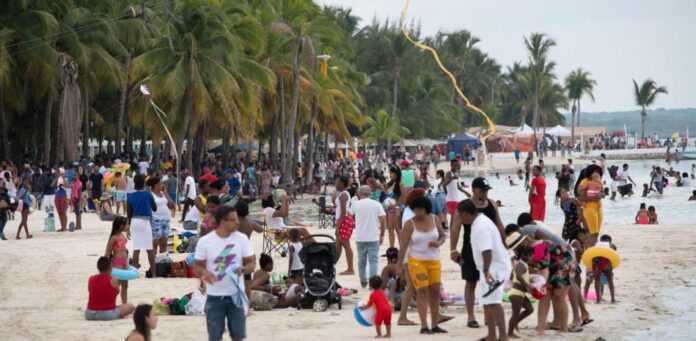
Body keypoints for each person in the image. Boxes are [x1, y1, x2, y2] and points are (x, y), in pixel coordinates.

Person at [449, 177, 504, 329]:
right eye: (483, 190)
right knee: (471, 281)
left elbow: (499, 224)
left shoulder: (491, 204)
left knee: (490, 282)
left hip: (490, 248)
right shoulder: (464, 206)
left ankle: (489, 317)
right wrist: (453, 249)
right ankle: (471, 316)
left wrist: (505, 244)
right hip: (470, 249)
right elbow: (455, 228)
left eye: (487, 190)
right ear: (474, 190)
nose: (485, 193)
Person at [194, 205, 255, 341]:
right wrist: (206, 273)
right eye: (233, 220)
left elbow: (251, 262)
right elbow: (197, 266)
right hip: (214, 296)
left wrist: (243, 270)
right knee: (215, 337)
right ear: (222, 222)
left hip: (236, 296)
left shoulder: (242, 239)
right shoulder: (206, 241)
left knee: (238, 337)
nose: (237, 222)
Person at [456, 199, 511, 341]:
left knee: (493, 302)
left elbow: (487, 250)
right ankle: (491, 335)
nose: (460, 219)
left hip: (494, 268)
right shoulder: (478, 222)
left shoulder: (481, 226)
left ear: (467, 213)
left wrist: (486, 271)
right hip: (487, 268)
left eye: (460, 215)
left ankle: (503, 336)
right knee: (487, 301)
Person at [397, 196, 447, 334]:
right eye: (415, 209)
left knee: (436, 291)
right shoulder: (409, 224)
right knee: (422, 290)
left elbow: (443, 236)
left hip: (434, 260)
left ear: (426, 209)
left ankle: (435, 323)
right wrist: (399, 265)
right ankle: (424, 325)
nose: (418, 212)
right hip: (416, 261)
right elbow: (403, 246)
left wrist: (439, 243)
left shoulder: (434, 219)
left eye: (421, 209)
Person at [349, 185, 387, 287]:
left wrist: (355, 223)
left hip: (360, 237)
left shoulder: (355, 204)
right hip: (373, 237)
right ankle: (372, 284)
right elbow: (383, 220)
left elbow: (348, 216)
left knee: (361, 261)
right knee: (373, 261)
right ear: (370, 193)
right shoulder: (377, 204)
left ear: (360, 193)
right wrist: (382, 234)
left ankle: (363, 281)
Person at [85, 257, 135, 321]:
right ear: (109, 267)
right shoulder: (113, 279)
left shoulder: (91, 279)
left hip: (89, 314)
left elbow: (90, 291)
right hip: (106, 314)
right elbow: (116, 292)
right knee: (130, 306)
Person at [127, 174, 157, 277]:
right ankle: (153, 274)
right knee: (149, 248)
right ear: (144, 183)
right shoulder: (148, 194)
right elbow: (154, 208)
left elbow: (129, 214)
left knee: (136, 248)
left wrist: (128, 228)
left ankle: (135, 273)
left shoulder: (130, 196)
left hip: (134, 222)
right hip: (145, 221)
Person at [506, 237, 534, 339]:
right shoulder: (521, 265)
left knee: (530, 309)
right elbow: (517, 276)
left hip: (519, 293)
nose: (530, 257)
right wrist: (527, 285)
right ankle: (509, 333)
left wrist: (526, 282)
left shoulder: (520, 264)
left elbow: (512, 277)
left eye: (531, 255)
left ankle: (516, 323)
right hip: (516, 293)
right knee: (515, 314)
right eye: (529, 255)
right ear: (523, 255)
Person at [576, 164, 605, 248]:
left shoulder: (598, 182)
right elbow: (581, 197)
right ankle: (587, 252)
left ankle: (591, 252)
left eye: (598, 172)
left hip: (598, 209)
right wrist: (595, 198)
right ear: (590, 172)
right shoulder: (584, 182)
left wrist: (601, 195)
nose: (597, 173)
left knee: (596, 233)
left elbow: (603, 193)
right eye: (595, 171)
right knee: (593, 233)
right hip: (589, 209)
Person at [105, 216, 130, 303]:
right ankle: (111, 303)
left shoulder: (122, 235)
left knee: (125, 285)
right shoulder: (114, 238)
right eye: (126, 224)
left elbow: (124, 249)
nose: (128, 226)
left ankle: (124, 303)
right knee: (116, 286)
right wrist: (106, 266)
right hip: (117, 264)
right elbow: (107, 251)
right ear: (120, 226)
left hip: (125, 263)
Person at [383, 167, 406, 248]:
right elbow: (386, 193)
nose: (390, 175)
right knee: (390, 229)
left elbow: (404, 198)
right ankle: (392, 248)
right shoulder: (390, 183)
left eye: (391, 173)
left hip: (397, 208)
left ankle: (401, 249)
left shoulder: (400, 184)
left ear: (396, 173)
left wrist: (395, 205)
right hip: (391, 208)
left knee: (397, 229)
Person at [150, 177, 174, 254]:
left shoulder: (163, 194)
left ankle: (161, 263)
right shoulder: (150, 195)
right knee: (155, 244)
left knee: (164, 244)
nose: (163, 184)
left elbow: (172, 206)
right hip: (155, 220)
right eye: (161, 183)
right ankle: (153, 265)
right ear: (155, 185)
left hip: (165, 220)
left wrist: (166, 194)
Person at [593, 235, 617, 304]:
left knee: (597, 279)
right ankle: (612, 299)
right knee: (610, 279)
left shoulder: (597, 244)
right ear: (609, 240)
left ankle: (598, 299)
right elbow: (614, 251)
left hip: (598, 262)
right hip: (606, 262)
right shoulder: (610, 244)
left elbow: (593, 253)